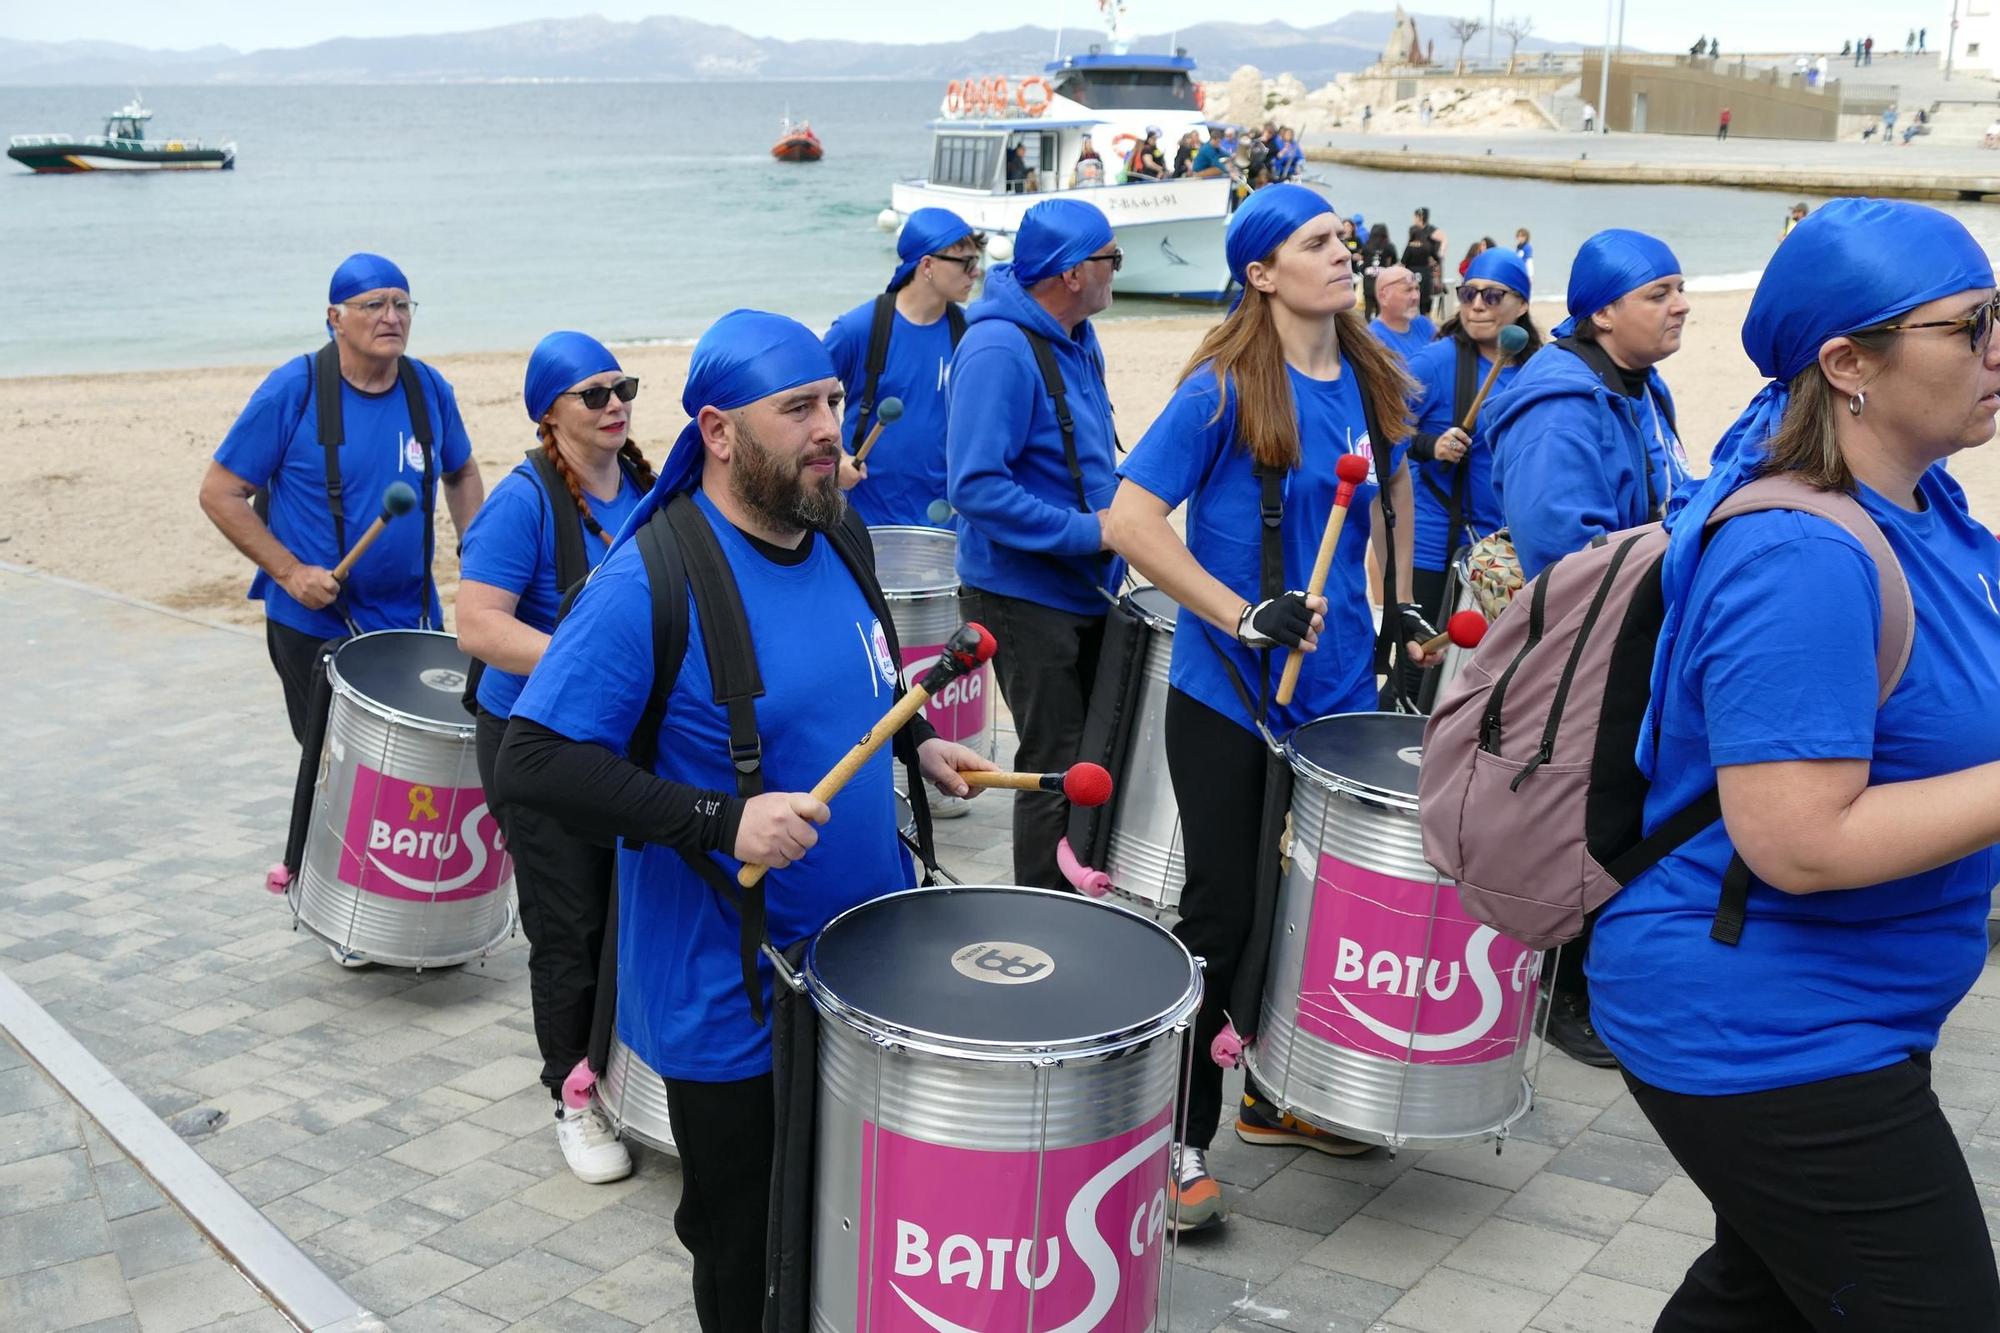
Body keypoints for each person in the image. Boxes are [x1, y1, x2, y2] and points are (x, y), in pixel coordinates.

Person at [496, 310, 993, 1330]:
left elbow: (847, 683)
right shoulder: (650, 578)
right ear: (719, 432)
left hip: (860, 965)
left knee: (848, 1221)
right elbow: (534, 761)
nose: (828, 429)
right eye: (798, 408)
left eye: (834, 402)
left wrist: (911, 741)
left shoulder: (835, 529)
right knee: (743, 1245)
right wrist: (718, 821)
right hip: (734, 998)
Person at [1592, 197, 2000, 1332]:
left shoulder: (1931, 514)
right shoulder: (1798, 553)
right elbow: (1796, 840)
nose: (1996, 350)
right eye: (1969, 326)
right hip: (1762, 1022)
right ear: (1846, 362)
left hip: (1850, 1009)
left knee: (1762, 1295)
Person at [1105, 184, 1429, 1231]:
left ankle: (1278, 1096)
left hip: (1333, 701)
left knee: (1308, 916)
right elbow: (1129, 521)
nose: (1344, 254)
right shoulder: (1220, 388)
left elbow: (1393, 489)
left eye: (1343, 237)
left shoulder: (1374, 375)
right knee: (1223, 914)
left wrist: (1401, 599)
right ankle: (1174, 1137)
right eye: (1316, 242)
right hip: (1228, 699)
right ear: (1258, 271)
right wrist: (1242, 615)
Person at [1483, 229, 1691, 1065]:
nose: (1680, 306)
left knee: (1630, 809)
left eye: (1680, 288)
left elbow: (1673, 490)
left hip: (1635, 635)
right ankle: (1561, 990)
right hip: (1585, 651)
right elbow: (1561, 553)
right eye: (1659, 293)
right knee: (1585, 813)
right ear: (1602, 312)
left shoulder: (1641, 387)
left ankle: (1604, 974)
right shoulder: (1562, 404)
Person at [457, 333, 650, 1184]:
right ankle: (572, 1096)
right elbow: (479, 626)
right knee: (569, 926)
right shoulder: (523, 502)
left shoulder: (643, 486)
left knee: (630, 912)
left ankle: (633, 1072)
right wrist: (590, 659)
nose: (615, 404)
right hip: (535, 747)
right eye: (593, 394)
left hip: (619, 739)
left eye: (624, 388)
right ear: (549, 413)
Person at [198, 252, 484, 746]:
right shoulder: (294, 389)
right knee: (333, 776)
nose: (391, 317)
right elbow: (219, 492)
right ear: (336, 319)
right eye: (373, 304)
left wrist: (476, 551)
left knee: (409, 771)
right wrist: (289, 573)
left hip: (412, 622)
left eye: (402, 304)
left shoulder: (428, 389)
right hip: (316, 628)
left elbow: (461, 473)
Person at [946, 199, 1124, 891]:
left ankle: (1082, 889)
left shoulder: (1076, 334)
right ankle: (1040, 915)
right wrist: (1092, 530)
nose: (1118, 271)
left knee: (1093, 751)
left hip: (1081, 584)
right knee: (1054, 759)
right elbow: (976, 486)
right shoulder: (997, 349)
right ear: (1075, 272)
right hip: (1021, 594)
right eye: (1113, 259)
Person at [1401, 248, 1539, 697]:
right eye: (1468, 294)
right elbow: (1380, 431)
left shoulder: (1541, 370)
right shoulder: (1433, 362)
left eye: (1492, 295)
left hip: (1503, 548)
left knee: (1484, 677)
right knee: (1419, 666)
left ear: (1521, 304)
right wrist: (1429, 444)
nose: (1477, 305)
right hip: (1435, 541)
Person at [822, 208, 980, 527]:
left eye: (977, 262)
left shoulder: (971, 335)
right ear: (927, 265)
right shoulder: (857, 329)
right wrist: (834, 458)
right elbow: (806, 398)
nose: (975, 273)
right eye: (966, 263)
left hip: (945, 521)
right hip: (865, 519)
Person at [1369, 264, 1438, 364]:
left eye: (1417, 289)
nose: (1415, 297)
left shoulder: (1424, 324)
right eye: (1408, 290)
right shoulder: (1374, 339)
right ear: (1383, 297)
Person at [1361, 222, 1400, 318]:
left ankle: (1367, 328)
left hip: (1368, 278)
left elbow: (1363, 262)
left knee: (1368, 306)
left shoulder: (1366, 246)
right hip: (1383, 279)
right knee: (1380, 307)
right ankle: (1378, 329)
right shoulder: (1389, 246)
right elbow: (1394, 260)